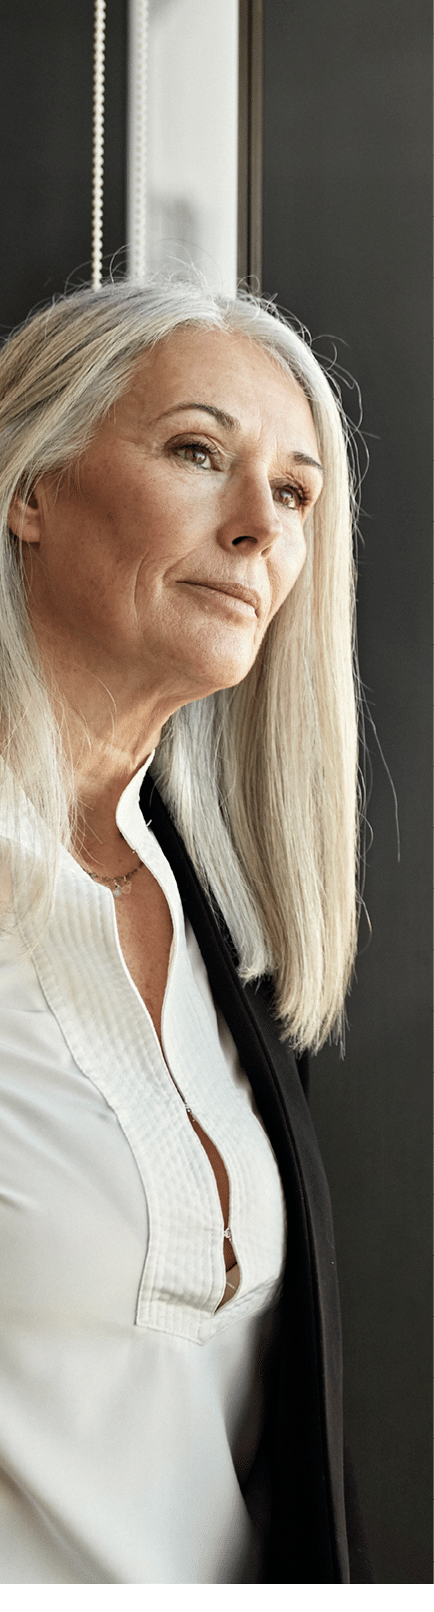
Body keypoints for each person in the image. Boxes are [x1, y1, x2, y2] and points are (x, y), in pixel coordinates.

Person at [0, 278, 368, 1583]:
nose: (256, 526)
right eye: (197, 452)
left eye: (295, 491)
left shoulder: (227, 929)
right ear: (28, 490)